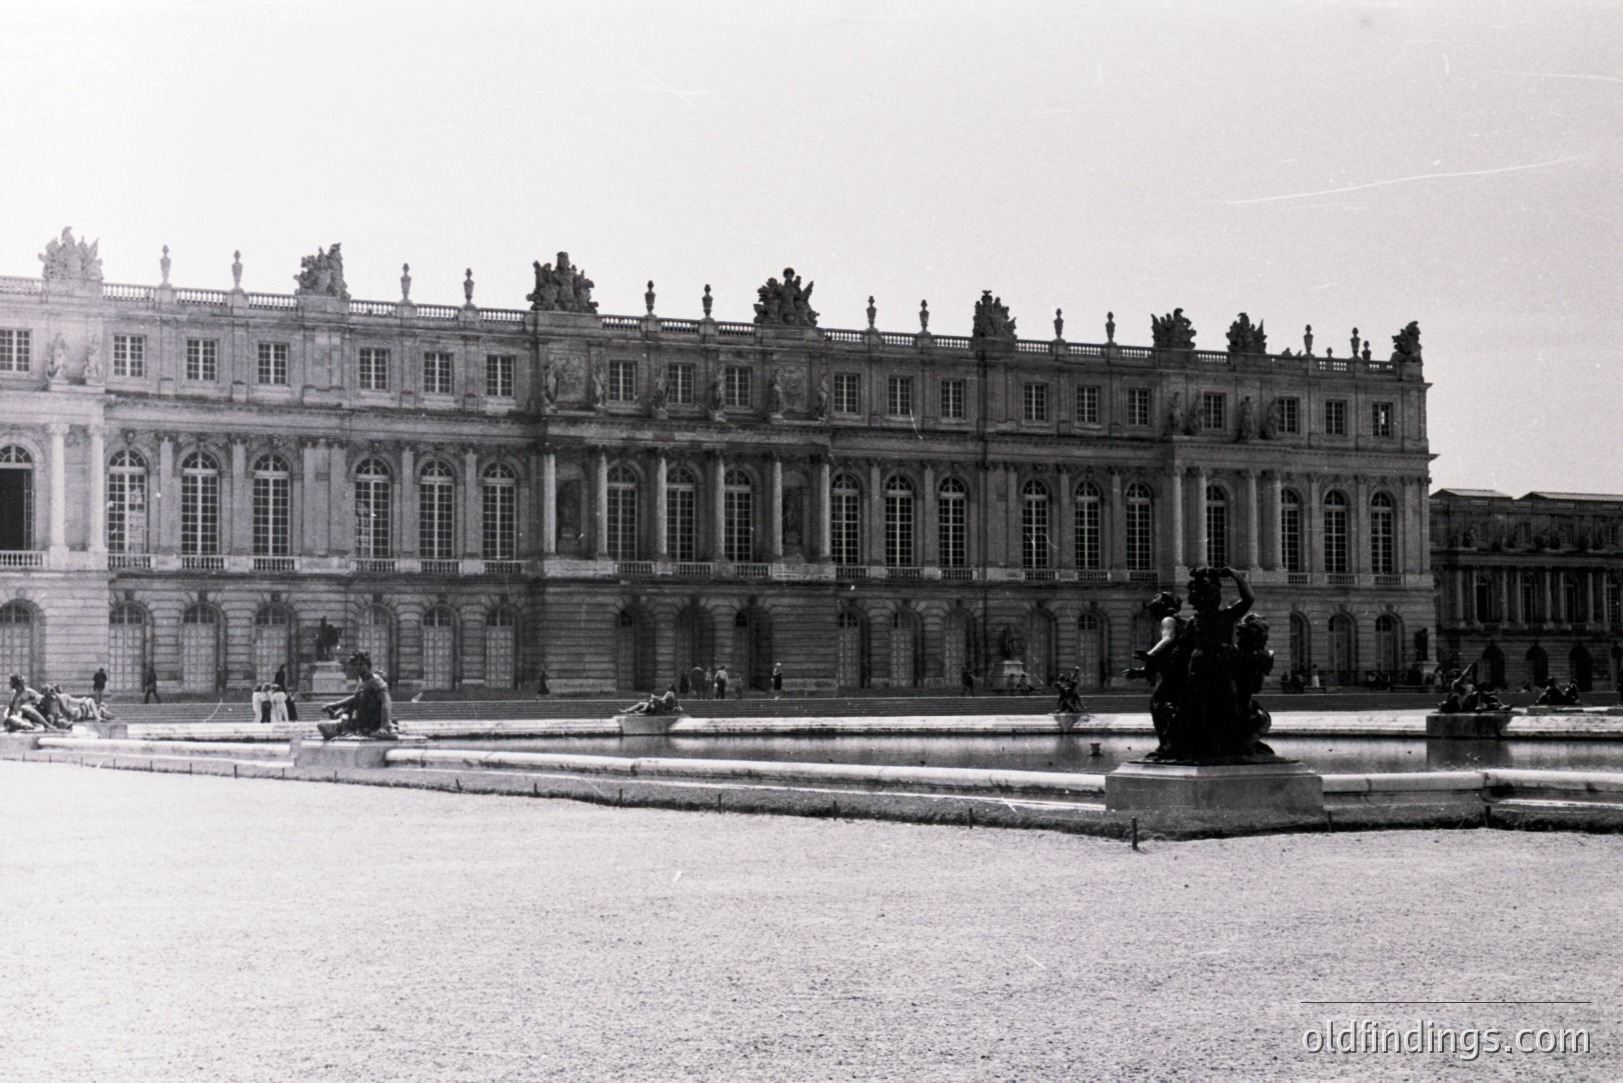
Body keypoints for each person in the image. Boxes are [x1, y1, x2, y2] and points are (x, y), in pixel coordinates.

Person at [318, 651, 395, 739]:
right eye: (355, 665)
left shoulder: (376, 681)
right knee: (322, 726)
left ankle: (347, 728)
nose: (358, 667)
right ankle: (347, 727)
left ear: (368, 665)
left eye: (361, 664)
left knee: (325, 727)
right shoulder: (362, 682)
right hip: (360, 722)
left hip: (373, 723)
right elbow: (355, 698)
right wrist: (334, 705)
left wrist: (383, 727)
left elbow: (386, 703)